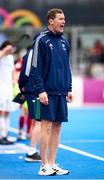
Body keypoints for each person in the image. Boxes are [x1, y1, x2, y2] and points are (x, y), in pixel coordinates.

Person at [25, 8, 73, 175]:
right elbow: (35, 68)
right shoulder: (41, 40)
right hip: (46, 92)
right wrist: (41, 91)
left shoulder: (64, 41)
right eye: (60, 18)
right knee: (45, 127)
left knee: (57, 127)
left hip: (61, 91)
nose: (63, 21)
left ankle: (52, 163)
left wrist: (69, 88)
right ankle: (43, 165)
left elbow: (67, 66)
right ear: (51, 21)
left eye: (64, 18)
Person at [0, 40, 16, 145]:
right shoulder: (1, 55)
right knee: (1, 112)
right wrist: (4, 50)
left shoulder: (10, 58)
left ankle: (5, 135)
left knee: (7, 112)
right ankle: (1, 136)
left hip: (9, 88)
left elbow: (13, 70)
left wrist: (15, 80)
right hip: (1, 88)